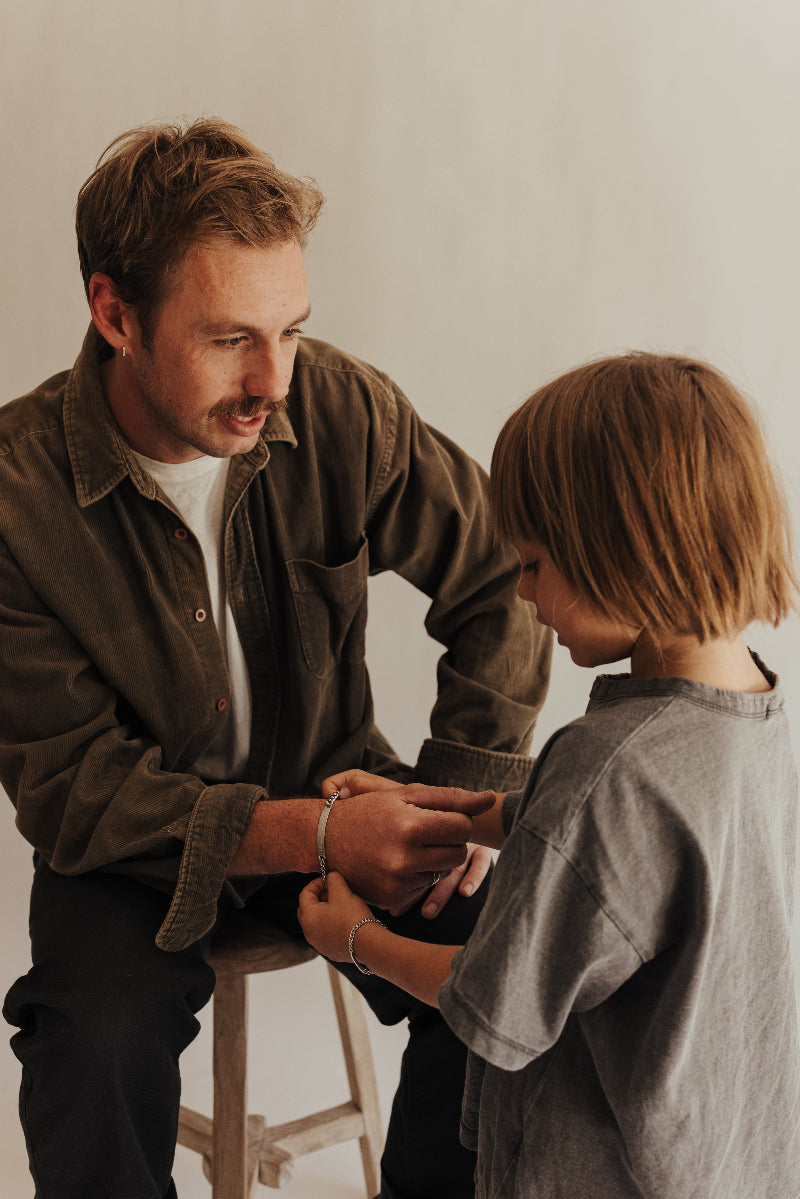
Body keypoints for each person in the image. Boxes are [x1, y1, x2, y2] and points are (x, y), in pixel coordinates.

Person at [0, 119, 552, 1199]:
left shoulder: (336, 404)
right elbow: (75, 789)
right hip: (133, 857)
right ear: (115, 313)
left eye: (290, 330)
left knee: (520, 968)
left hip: (335, 777)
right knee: (85, 1050)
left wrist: (463, 794)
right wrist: (317, 830)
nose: (272, 380)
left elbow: (502, 575)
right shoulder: (16, 500)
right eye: (226, 339)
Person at [299, 352, 800, 1198]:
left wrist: (355, 939)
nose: (522, 594)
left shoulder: (607, 762)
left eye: (533, 563)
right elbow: (609, 856)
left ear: (622, 548)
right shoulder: (753, 712)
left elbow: (487, 1003)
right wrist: (443, 808)